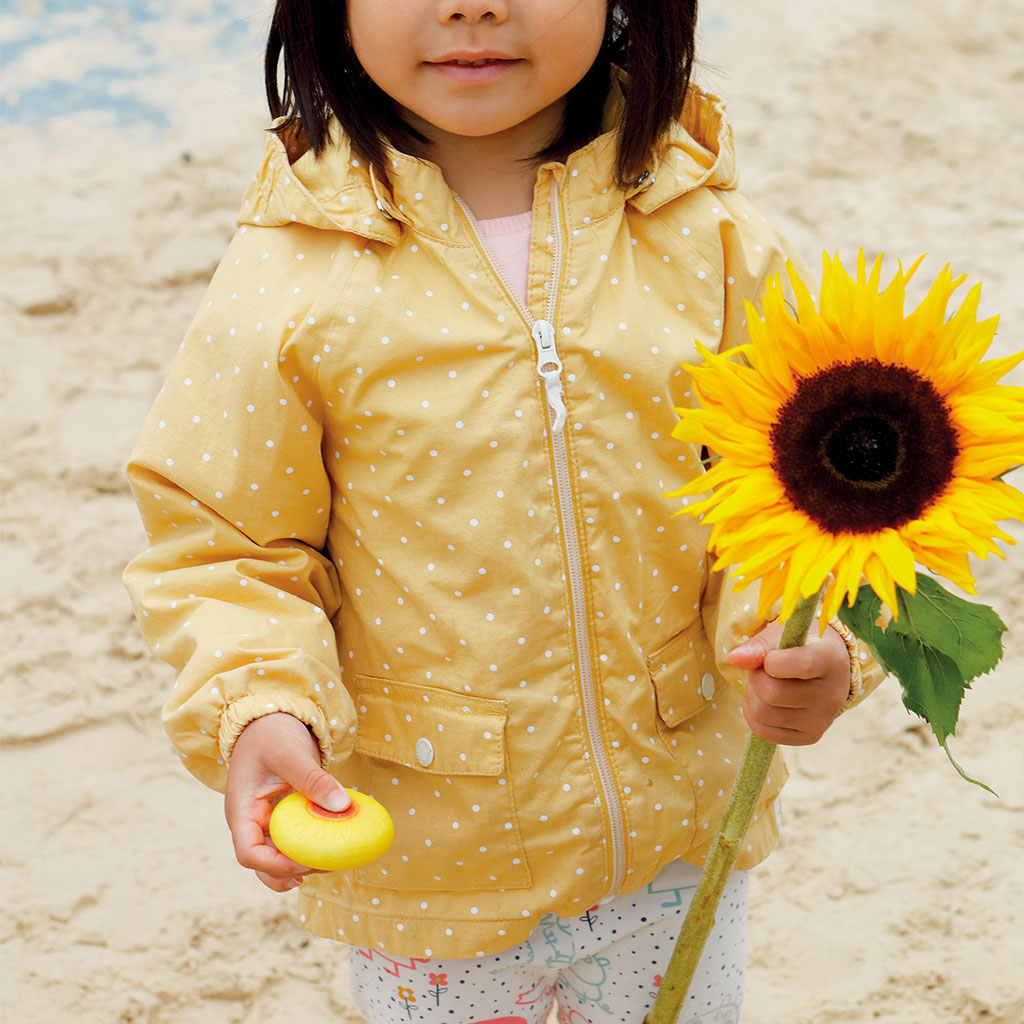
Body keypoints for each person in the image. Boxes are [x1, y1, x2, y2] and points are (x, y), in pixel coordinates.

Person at [124, 2, 883, 1021]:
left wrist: (810, 638)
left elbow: (802, 489)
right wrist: (259, 700)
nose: (471, 5)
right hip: (430, 860)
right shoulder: (291, 273)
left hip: (671, 834)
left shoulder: (712, 240)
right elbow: (229, 545)